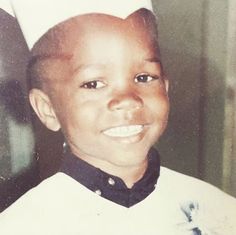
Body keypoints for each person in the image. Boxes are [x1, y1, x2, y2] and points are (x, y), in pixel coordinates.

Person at [0, 0, 235, 234]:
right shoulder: (23, 226)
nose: (128, 99)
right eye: (93, 83)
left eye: (144, 77)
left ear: (165, 87)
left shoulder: (220, 212)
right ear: (47, 108)